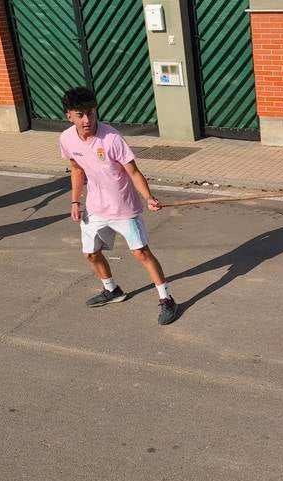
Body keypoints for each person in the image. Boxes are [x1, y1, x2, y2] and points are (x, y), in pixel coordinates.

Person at [59, 86, 179, 326]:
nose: (87, 120)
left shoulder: (112, 138)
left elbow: (133, 172)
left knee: (140, 253)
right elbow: (76, 169)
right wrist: (75, 200)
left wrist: (148, 197)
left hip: (124, 207)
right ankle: (112, 290)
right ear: (69, 116)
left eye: (91, 113)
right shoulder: (66, 139)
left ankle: (167, 299)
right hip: (95, 207)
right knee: (91, 254)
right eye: (80, 115)